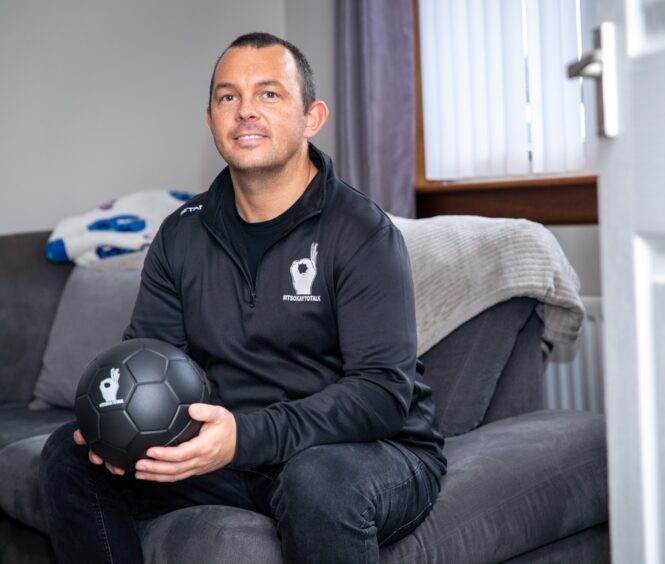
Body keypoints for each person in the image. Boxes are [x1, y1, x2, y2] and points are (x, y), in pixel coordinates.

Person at [39, 32, 446, 564]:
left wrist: (245, 437)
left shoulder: (362, 231)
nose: (246, 111)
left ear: (312, 117)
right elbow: (152, 360)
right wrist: (119, 430)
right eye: (229, 97)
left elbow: (380, 394)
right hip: (228, 452)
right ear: (210, 119)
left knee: (317, 480)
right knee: (68, 457)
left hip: (366, 451)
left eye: (270, 95)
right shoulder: (180, 235)